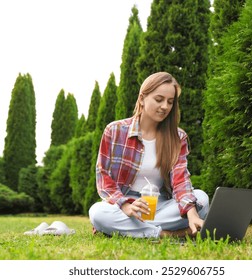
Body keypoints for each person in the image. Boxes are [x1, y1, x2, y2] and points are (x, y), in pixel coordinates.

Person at [89, 72, 209, 238]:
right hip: (126, 206)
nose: (165, 106)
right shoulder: (114, 131)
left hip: (160, 205)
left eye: (170, 102)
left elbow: (180, 180)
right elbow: (103, 178)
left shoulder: (177, 137)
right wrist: (126, 205)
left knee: (201, 199)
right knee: (97, 212)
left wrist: (192, 213)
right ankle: (167, 234)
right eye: (159, 99)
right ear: (142, 98)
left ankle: (127, 230)